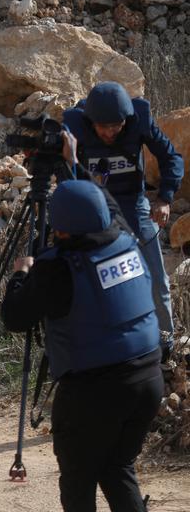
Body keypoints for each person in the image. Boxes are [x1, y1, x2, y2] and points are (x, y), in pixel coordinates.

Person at [0, 179, 167, 512]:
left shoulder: (56, 268)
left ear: (59, 228)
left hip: (93, 388)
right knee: (116, 464)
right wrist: (72, 164)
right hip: (148, 377)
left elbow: (15, 318)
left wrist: (20, 276)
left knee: (77, 479)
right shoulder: (125, 237)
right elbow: (104, 203)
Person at [62, 82, 184, 360]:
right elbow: (64, 175)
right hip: (93, 207)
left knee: (156, 279)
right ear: (90, 121)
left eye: (115, 126)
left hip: (132, 203)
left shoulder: (139, 119)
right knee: (89, 278)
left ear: (126, 120)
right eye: (102, 127)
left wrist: (164, 198)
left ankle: (165, 345)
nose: (109, 132)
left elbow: (171, 158)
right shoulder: (74, 126)